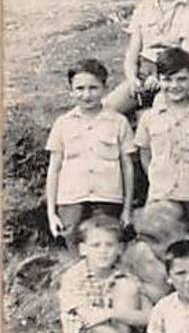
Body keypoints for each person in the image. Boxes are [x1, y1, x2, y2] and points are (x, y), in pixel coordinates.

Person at [59, 215, 155, 333]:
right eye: (96, 245)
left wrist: (112, 313)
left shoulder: (124, 275)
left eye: (109, 245)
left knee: (127, 287)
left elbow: (150, 317)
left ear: (119, 249)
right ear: (83, 249)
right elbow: (95, 325)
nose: (103, 251)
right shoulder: (74, 278)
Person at [46, 59, 135, 242]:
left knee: (106, 250)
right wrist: (51, 213)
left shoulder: (119, 122)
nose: (86, 95)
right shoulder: (62, 124)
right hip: (71, 202)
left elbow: (127, 168)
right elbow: (54, 169)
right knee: (74, 254)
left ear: (105, 88)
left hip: (108, 200)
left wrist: (126, 210)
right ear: (71, 90)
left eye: (93, 88)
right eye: (79, 88)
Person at [133, 49, 189, 234]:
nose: (174, 85)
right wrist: (159, 180)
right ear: (158, 79)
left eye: (181, 79)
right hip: (161, 198)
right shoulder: (149, 118)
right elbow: (145, 156)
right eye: (167, 79)